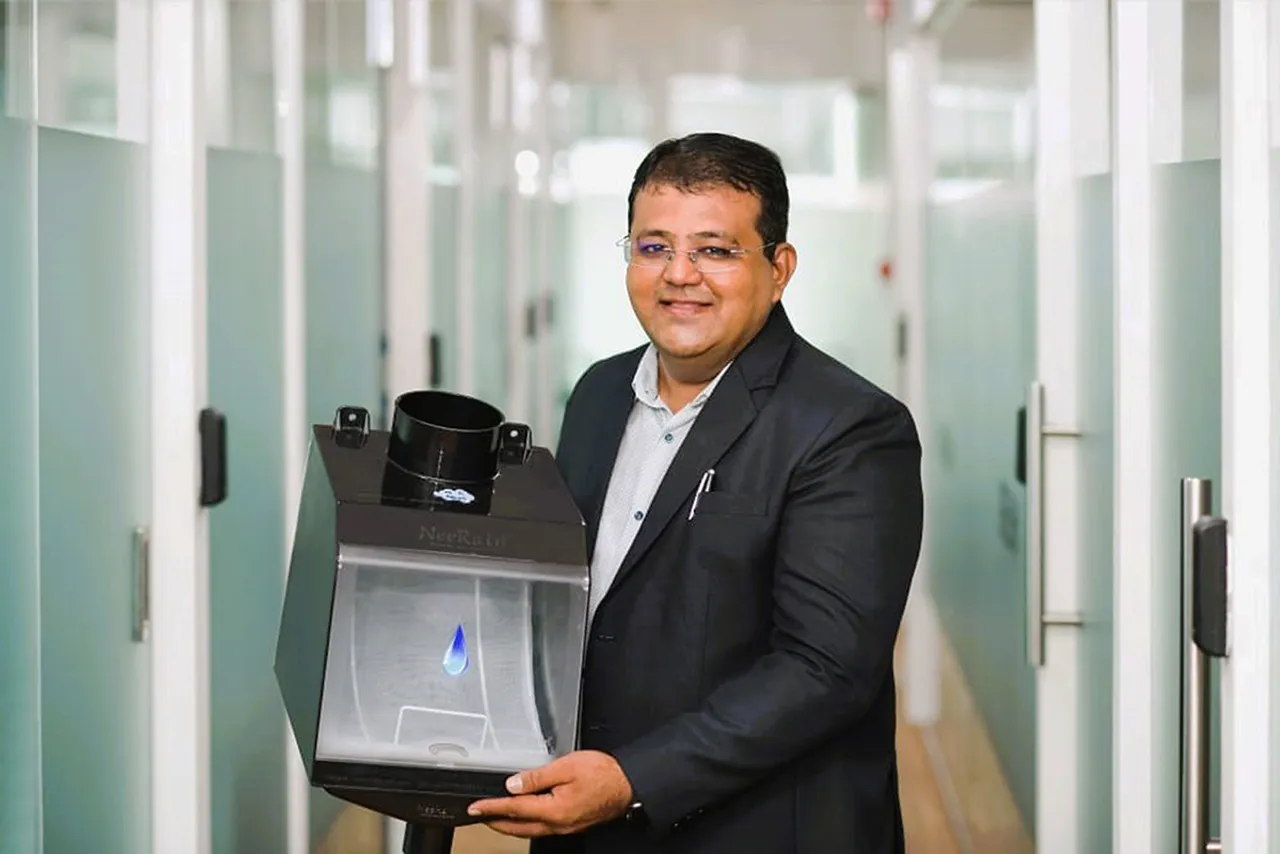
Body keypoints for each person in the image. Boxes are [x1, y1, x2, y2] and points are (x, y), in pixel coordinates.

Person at [466, 132, 924, 853]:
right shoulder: (598, 393)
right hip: (590, 813)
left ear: (779, 269)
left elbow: (825, 670)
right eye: (653, 248)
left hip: (760, 828)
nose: (680, 275)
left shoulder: (849, 427)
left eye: (715, 249)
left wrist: (632, 778)